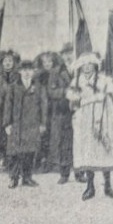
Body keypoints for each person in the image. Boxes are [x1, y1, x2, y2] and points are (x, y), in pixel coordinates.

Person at [66, 53, 113, 201]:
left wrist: (104, 97)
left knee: (104, 148)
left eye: (90, 64)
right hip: (84, 119)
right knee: (88, 150)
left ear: (95, 66)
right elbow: (72, 103)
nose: (87, 67)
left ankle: (108, 186)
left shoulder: (104, 81)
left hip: (102, 117)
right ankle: (90, 186)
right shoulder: (76, 82)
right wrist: (79, 101)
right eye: (84, 65)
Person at [2, 60, 47, 188]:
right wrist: (7, 124)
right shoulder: (13, 87)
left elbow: (44, 107)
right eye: (24, 70)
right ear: (20, 72)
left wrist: (43, 123)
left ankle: (27, 177)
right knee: (15, 152)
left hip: (32, 124)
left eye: (30, 70)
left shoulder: (39, 88)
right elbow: (8, 106)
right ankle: (13, 177)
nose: (27, 73)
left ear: (34, 72)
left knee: (30, 152)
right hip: (17, 124)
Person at [41, 52, 74, 183]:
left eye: (70, 53)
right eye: (66, 54)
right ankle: (64, 173)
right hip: (63, 110)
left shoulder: (80, 69)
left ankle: (80, 172)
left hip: (79, 110)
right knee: (64, 142)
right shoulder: (56, 72)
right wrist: (65, 92)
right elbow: (51, 91)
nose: (68, 57)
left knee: (78, 141)